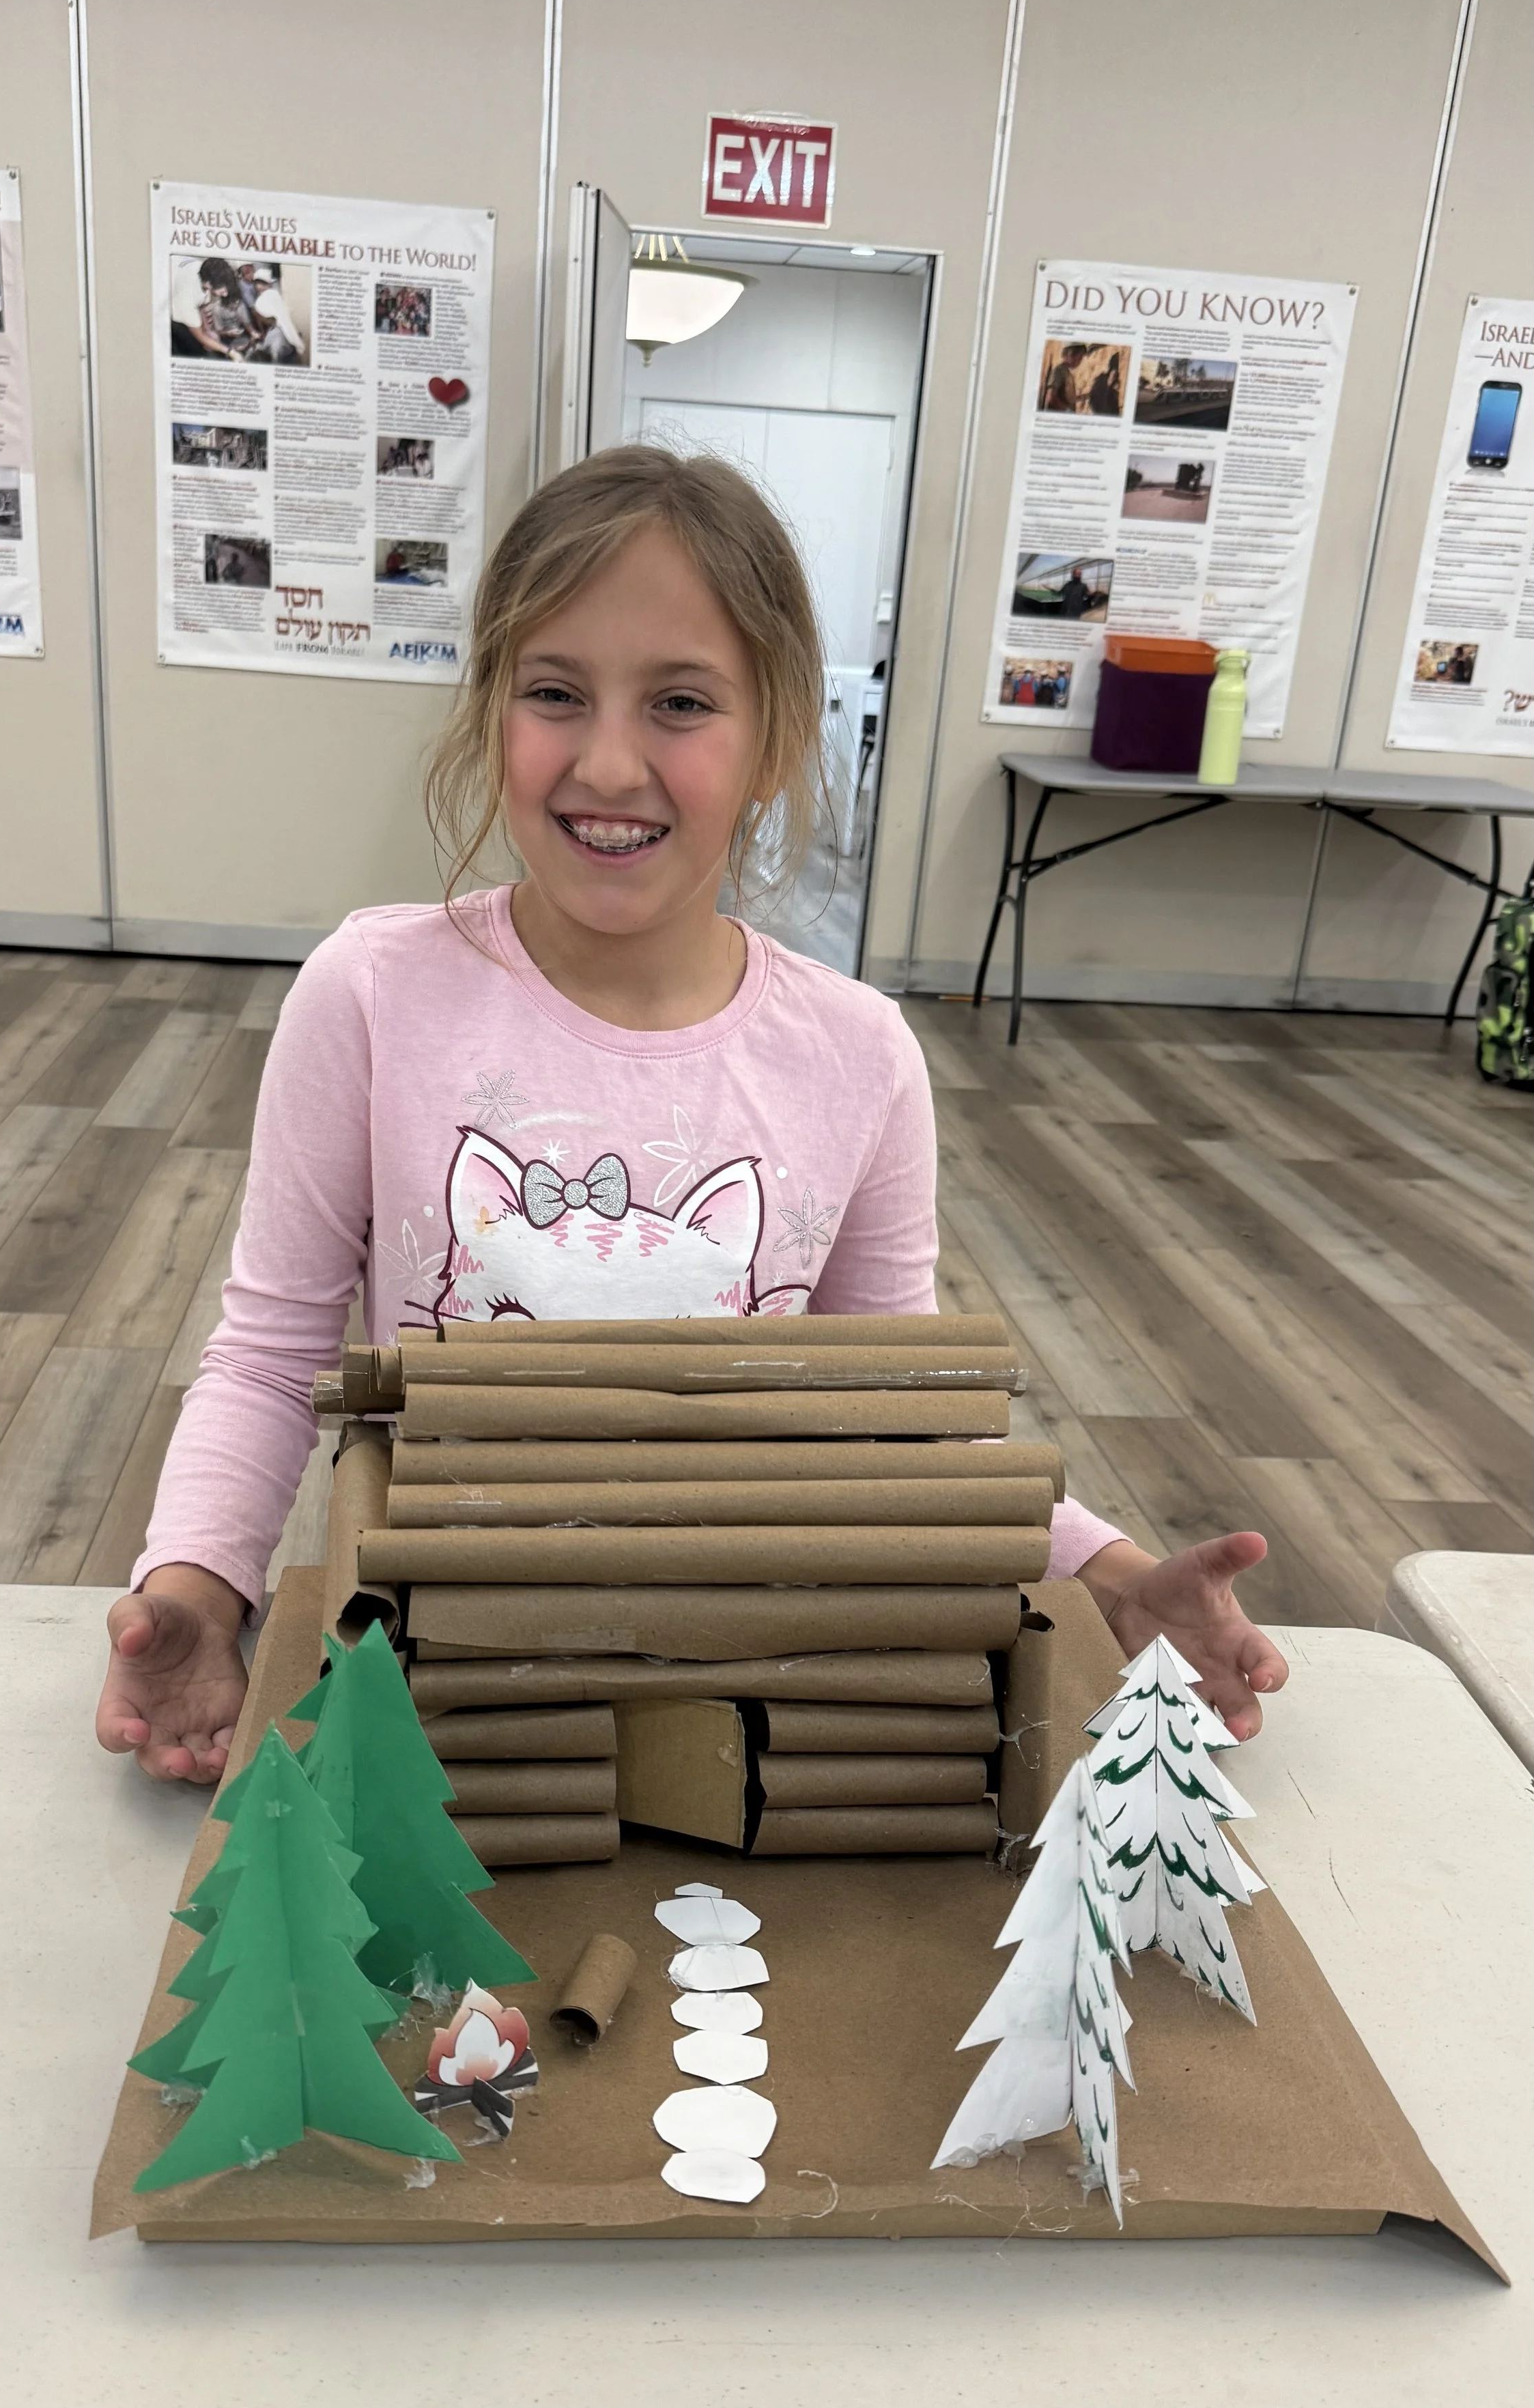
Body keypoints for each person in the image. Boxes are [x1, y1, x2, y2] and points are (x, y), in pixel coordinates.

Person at [96, 444, 1287, 1783]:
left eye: (678, 702)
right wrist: (198, 1587)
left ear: (776, 736)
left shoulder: (856, 1056)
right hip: (436, 1684)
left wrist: (1107, 1575)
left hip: (738, 1689)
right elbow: (269, 1352)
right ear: (490, 709)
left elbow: (904, 1412)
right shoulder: (371, 991)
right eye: (554, 691)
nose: (607, 761)